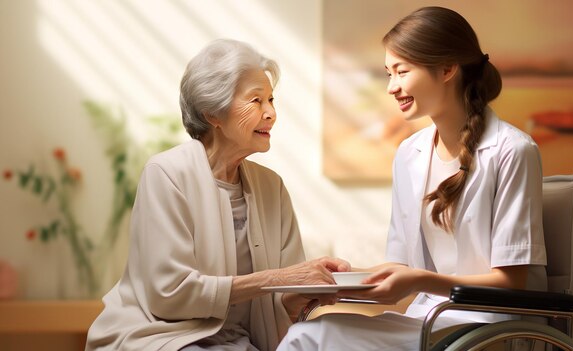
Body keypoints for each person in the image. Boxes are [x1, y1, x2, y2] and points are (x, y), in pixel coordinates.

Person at [278, 6, 547, 350]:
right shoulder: (409, 153)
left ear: (448, 68)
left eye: (401, 71)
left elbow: (512, 282)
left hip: (488, 328)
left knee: (313, 337)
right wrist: (337, 283)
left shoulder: (512, 150)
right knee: (315, 330)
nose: (392, 87)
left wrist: (420, 280)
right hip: (429, 317)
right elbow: (401, 266)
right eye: (388, 73)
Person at [85, 39, 349, 351]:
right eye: (256, 101)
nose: (271, 113)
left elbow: (283, 298)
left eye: (271, 100)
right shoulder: (166, 174)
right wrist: (276, 278)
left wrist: (311, 288)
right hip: (161, 338)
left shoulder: (272, 187)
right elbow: (170, 295)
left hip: (239, 342)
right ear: (213, 113)